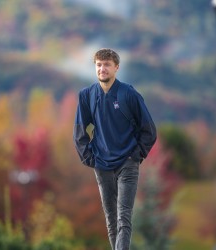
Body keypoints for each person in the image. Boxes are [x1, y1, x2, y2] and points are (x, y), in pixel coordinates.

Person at [73, 48, 157, 250]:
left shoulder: (129, 94)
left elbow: (149, 130)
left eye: (107, 65)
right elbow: (79, 131)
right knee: (111, 220)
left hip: (127, 163)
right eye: (99, 65)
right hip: (102, 165)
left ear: (116, 68)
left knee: (123, 217)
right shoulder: (87, 96)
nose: (102, 69)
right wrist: (89, 158)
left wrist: (136, 155)